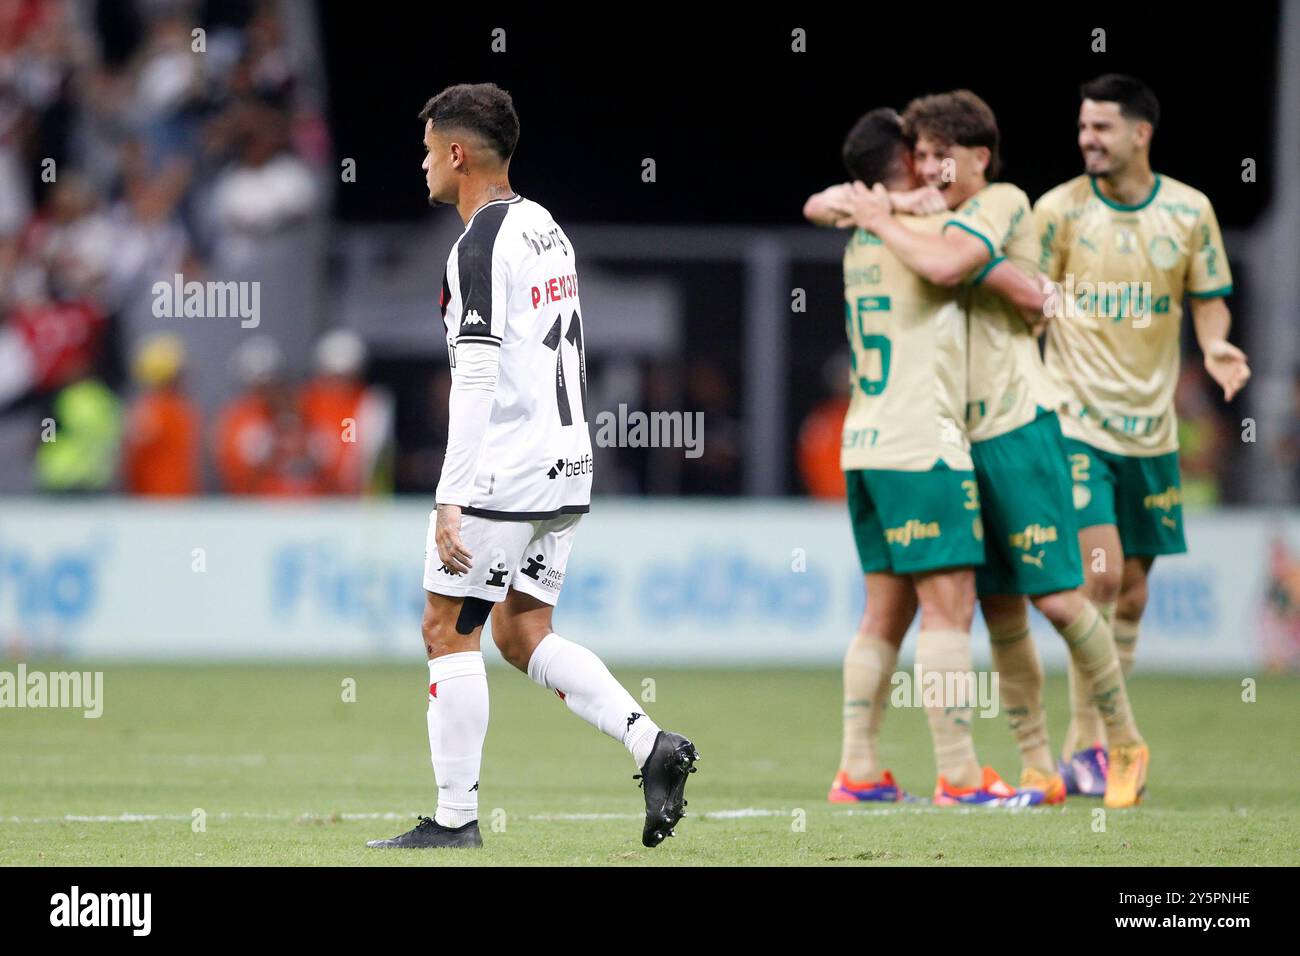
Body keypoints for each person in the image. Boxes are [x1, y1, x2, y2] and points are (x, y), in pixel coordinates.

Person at [367, 83, 697, 851]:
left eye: (425, 151)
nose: (420, 167)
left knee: (446, 630)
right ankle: (649, 743)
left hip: (506, 470)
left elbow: (477, 375)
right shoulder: (546, 226)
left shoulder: (477, 243)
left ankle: (454, 821)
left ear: (456, 153)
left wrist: (451, 495)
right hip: (567, 464)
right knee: (521, 631)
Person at [1034, 75, 1249, 793]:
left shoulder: (1190, 212)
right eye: (1082, 126)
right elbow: (1028, 298)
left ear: (1140, 134)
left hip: (1152, 432)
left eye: (1102, 128)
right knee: (1096, 577)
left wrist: (1216, 347)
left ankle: (1093, 739)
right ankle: (1090, 742)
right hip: (1074, 421)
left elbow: (1209, 300)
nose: (1088, 139)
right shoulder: (1059, 211)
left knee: (1130, 593)